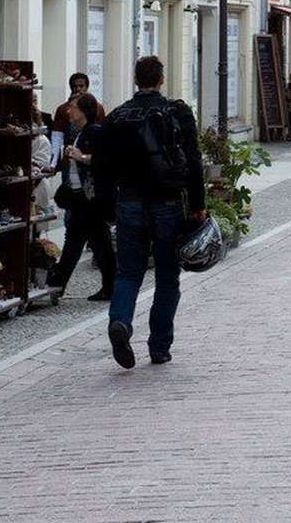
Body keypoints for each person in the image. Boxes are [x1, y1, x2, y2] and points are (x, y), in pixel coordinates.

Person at [102, 55, 204, 369]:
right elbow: (194, 159)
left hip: (129, 201)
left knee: (128, 272)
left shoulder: (118, 116)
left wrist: (109, 210)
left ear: (136, 80)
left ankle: (120, 321)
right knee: (167, 278)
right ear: (161, 79)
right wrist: (199, 205)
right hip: (167, 203)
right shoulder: (177, 111)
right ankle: (159, 346)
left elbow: (104, 168)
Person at [49, 93, 115, 298]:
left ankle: (59, 284)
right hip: (82, 198)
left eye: (73, 107)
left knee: (92, 242)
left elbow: (106, 159)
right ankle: (58, 283)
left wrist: (82, 157)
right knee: (84, 241)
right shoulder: (82, 131)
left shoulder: (94, 131)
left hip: (90, 198)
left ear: (83, 111)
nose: (69, 110)